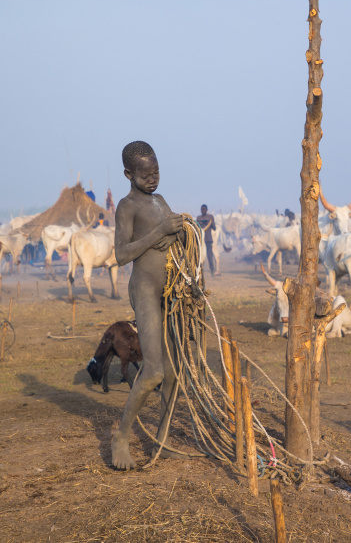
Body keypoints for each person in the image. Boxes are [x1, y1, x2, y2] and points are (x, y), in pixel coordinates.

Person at [111, 140, 186, 470]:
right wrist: (159, 231)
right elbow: (122, 254)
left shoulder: (160, 200)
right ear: (128, 174)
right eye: (145, 175)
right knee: (154, 370)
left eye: (156, 172)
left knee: (173, 372)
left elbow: (174, 236)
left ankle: (163, 438)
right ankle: (120, 436)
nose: (152, 179)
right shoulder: (127, 207)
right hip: (144, 289)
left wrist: (179, 232)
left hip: (169, 290)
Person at [197, 204, 217, 276]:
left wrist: (210, 224)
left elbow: (214, 228)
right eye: (202, 209)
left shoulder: (210, 217)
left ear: (206, 210)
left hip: (208, 240)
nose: (203, 211)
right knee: (200, 256)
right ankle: (200, 272)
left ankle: (212, 271)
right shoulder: (198, 218)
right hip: (200, 240)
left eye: (204, 209)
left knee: (209, 255)